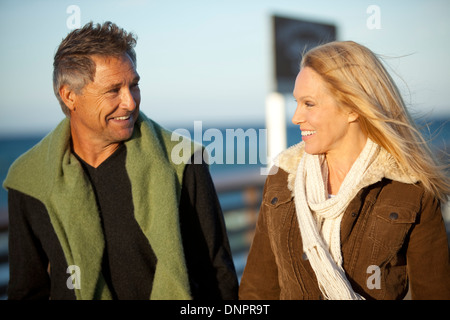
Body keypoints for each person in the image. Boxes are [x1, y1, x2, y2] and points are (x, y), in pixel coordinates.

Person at [3, 21, 238, 300]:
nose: (130, 102)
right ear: (69, 96)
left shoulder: (184, 161)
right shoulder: (29, 179)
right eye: (113, 90)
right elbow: (27, 289)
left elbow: (216, 273)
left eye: (134, 85)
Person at [239, 41, 450, 300]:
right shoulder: (283, 176)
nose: (295, 117)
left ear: (352, 108)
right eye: (297, 102)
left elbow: (435, 292)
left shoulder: (410, 189)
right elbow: (257, 290)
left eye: (309, 104)